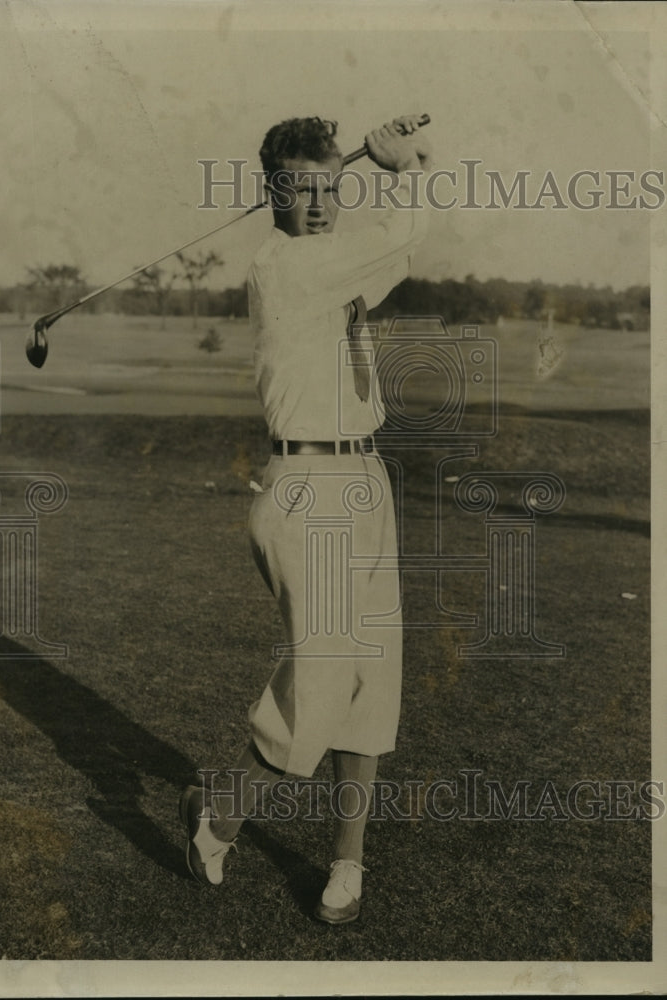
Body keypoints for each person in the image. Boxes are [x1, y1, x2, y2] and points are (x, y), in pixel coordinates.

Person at [180, 113, 431, 924]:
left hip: (364, 478)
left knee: (372, 677)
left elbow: (402, 247)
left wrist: (408, 160)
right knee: (323, 678)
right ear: (273, 195)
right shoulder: (287, 266)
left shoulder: (333, 266)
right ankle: (220, 814)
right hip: (306, 486)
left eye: (331, 188)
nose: (319, 205)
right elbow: (404, 226)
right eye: (301, 190)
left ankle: (347, 865)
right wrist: (404, 172)